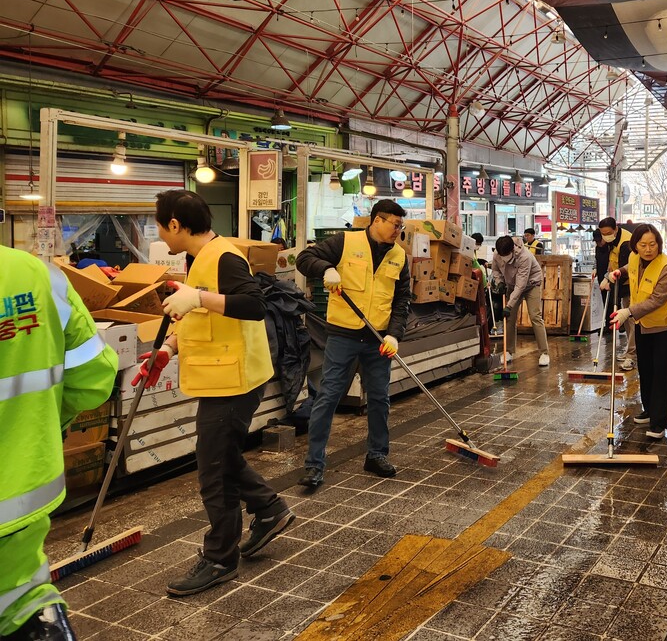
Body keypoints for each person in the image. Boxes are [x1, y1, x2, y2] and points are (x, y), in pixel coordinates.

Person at [143, 190, 293, 597]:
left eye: (159, 225)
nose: (160, 233)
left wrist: (199, 296)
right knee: (222, 457)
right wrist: (166, 349)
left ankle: (220, 558)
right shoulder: (199, 259)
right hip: (221, 376)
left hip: (235, 379)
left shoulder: (223, 256)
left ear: (175, 224)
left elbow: (254, 304)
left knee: (213, 471)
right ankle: (269, 509)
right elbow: (200, 317)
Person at [0, 246, 118, 640]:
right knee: (22, 602)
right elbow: (93, 379)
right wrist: (38, 426)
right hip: (20, 505)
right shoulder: (37, 275)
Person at [295, 199, 411, 486]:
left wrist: (395, 334)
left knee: (380, 399)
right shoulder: (345, 241)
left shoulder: (399, 255)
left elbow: (402, 299)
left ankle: (376, 454)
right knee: (328, 397)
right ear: (378, 220)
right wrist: (326, 269)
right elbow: (304, 259)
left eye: (401, 225)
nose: (398, 230)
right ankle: (314, 464)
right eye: (395, 224)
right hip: (343, 336)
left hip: (378, 339)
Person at [606, 224, 667, 440]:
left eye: (653, 244)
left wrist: (627, 311)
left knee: (661, 372)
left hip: (664, 326)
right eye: (643, 245)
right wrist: (617, 273)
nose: (648, 249)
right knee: (646, 369)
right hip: (642, 324)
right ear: (636, 246)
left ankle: (659, 422)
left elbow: (657, 299)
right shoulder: (634, 257)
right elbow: (629, 270)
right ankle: (649, 410)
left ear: (658, 243)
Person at [491, 236, 550, 367]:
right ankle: (508, 351)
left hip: (531, 284)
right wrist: (499, 282)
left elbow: (521, 286)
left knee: (535, 316)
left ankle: (544, 353)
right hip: (511, 285)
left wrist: (509, 305)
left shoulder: (525, 257)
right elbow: (495, 269)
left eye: (506, 255)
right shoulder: (497, 253)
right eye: (502, 255)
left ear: (512, 250)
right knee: (510, 318)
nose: (504, 257)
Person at [598, 218, 636, 369]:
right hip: (621, 282)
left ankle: (632, 356)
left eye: (608, 233)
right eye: (603, 233)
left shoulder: (626, 243)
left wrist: (609, 279)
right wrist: (607, 272)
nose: (605, 236)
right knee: (626, 320)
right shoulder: (613, 240)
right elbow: (613, 259)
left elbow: (626, 269)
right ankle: (630, 350)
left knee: (631, 320)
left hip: (630, 285)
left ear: (616, 228)